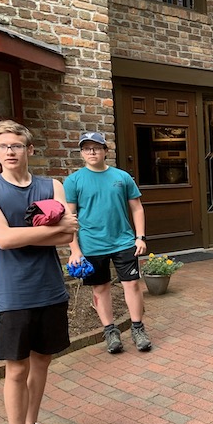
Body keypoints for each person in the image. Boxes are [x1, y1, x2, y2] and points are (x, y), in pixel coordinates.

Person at [0, 120, 79, 424]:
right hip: (14, 292)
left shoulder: (51, 185)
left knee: (42, 360)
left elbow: (68, 234)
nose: (10, 151)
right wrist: (47, 231)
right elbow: (2, 239)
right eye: (3, 146)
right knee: (16, 369)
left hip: (50, 288)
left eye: (16, 145)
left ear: (29, 149)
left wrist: (21, 234)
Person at [64, 132, 152, 353]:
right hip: (92, 244)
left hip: (123, 241)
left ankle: (138, 328)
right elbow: (69, 219)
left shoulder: (122, 177)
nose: (92, 152)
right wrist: (75, 250)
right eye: (87, 148)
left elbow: (137, 208)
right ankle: (110, 332)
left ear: (105, 150)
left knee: (132, 284)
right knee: (100, 287)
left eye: (96, 147)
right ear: (81, 153)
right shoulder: (74, 181)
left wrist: (140, 237)